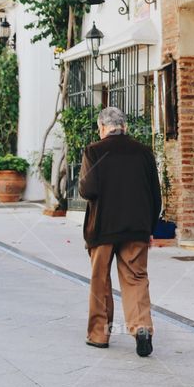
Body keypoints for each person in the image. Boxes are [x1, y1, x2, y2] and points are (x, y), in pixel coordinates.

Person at [78, 107, 162, 357]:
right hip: (136, 228)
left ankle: (99, 335)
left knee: (100, 280)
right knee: (136, 279)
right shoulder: (144, 153)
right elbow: (155, 196)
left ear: (102, 128)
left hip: (103, 228)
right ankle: (142, 328)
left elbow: (87, 190)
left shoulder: (94, 151)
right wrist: (149, 227)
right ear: (124, 127)